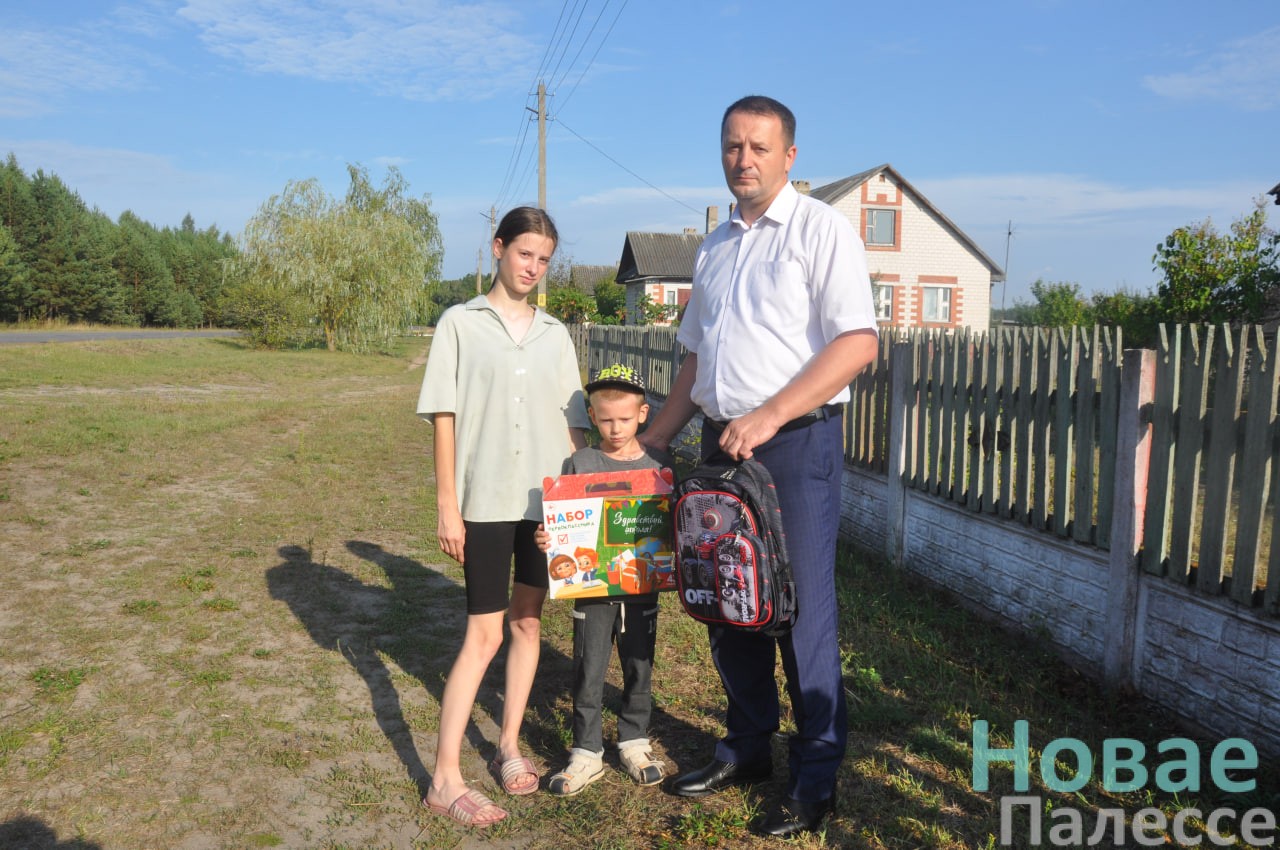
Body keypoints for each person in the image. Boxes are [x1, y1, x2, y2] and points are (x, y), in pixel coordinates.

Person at [640, 95, 879, 838]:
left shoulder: (820, 230)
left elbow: (857, 343)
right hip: (721, 443)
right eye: (732, 146)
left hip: (793, 445)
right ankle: (745, 748)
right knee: (727, 599)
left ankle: (816, 778)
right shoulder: (713, 247)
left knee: (800, 610)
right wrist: (655, 441)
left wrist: (770, 415)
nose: (743, 159)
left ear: (790, 156)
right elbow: (697, 358)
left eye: (759, 147)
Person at [416, 206, 590, 828]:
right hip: (485, 502)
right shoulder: (459, 324)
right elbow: (443, 416)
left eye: (544, 259)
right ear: (498, 248)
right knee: (484, 634)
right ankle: (444, 779)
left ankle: (508, 744)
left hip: (543, 506)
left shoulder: (556, 334)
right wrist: (448, 505)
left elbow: (574, 426)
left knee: (527, 623)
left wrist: (575, 508)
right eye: (524, 254)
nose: (533, 268)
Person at [535, 363, 675, 797]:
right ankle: (586, 750)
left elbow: (671, 523)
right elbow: (561, 522)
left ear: (643, 414)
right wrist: (548, 537)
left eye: (625, 419)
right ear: (592, 416)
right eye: (606, 419)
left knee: (639, 665)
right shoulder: (579, 463)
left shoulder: (659, 466)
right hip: (592, 591)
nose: (616, 429)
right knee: (588, 666)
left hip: (641, 588)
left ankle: (634, 740)